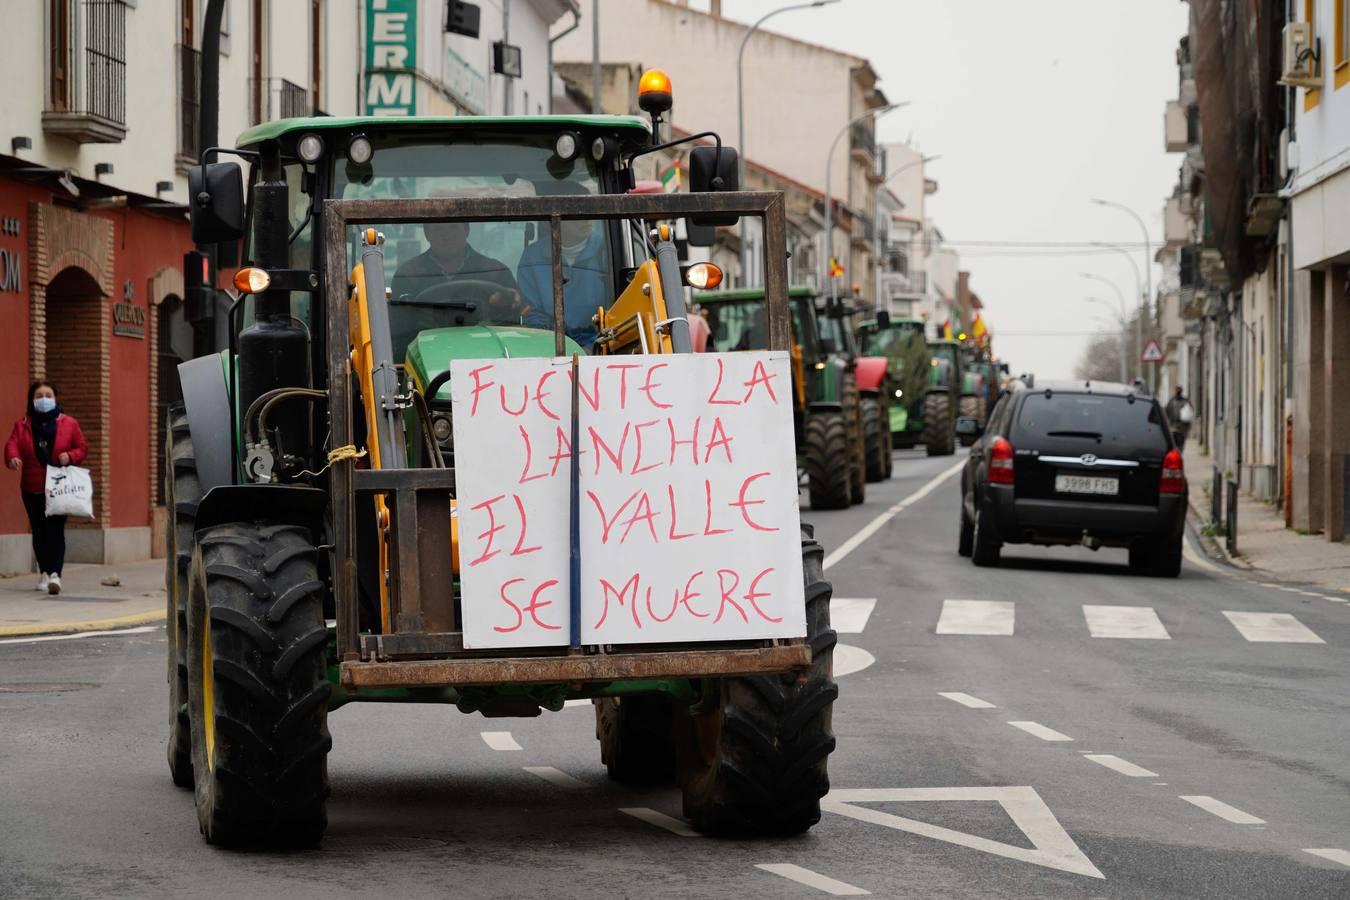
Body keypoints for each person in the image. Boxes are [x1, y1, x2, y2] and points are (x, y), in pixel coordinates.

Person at [4, 381, 88, 595]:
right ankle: (44, 570)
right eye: (39, 395)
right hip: (32, 486)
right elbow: (11, 445)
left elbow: (82, 447)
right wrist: (13, 457)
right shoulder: (22, 424)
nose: (44, 399)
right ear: (32, 400)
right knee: (39, 530)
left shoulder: (69, 423)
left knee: (55, 530)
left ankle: (55, 575)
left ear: (55, 398)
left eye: (48, 395)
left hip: (59, 486)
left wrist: (70, 456)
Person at [517, 183, 612, 347]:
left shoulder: (609, 251)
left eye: (588, 211)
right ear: (556, 217)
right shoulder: (532, 258)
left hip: (602, 344)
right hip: (549, 344)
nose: (585, 218)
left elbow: (618, 310)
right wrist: (551, 348)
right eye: (577, 212)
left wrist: (595, 348)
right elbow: (531, 312)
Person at [389, 220, 519, 306]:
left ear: (466, 231)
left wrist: (504, 303)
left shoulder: (495, 272)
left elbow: (514, 319)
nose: (446, 235)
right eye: (438, 229)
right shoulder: (408, 275)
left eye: (453, 227)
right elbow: (399, 328)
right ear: (427, 234)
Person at [1165, 384, 1193, 450]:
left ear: (1181, 391)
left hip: (1182, 429)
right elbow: (1167, 412)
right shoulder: (1171, 401)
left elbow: (1190, 414)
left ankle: (1178, 456)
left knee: (1180, 446)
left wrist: (1188, 429)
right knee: (1173, 446)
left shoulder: (1185, 401)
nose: (1178, 391)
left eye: (1179, 389)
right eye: (1177, 389)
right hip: (1173, 427)